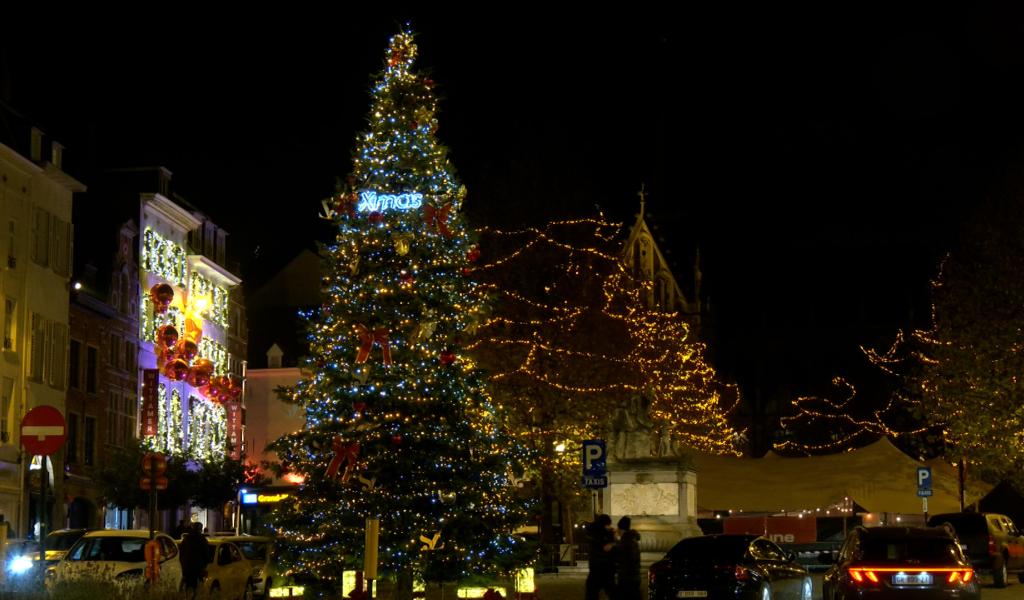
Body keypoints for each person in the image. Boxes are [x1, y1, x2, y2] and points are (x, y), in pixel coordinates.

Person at [585, 514, 616, 600]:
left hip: (599, 569)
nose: (609, 526)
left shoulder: (596, 532)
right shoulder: (598, 534)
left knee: (592, 593)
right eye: (608, 525)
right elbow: (605, 548)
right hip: (602, 569)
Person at [178, 522, 211, 598]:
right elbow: (206, 554)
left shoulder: (186, 539)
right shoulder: (202, 540)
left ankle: (187, 596)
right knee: (197, 588)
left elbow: (181, 553)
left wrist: (183, 564)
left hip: (187, 568)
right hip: (197, 568)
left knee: (188, 586)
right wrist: (205, 564)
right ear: (200, 529)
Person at [614, 516, 641, 600]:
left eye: (618, 528)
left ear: (620, 529)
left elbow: (625, 557)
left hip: (627, 578)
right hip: (632, 577)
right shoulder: (630, 539)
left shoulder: (626, 541)